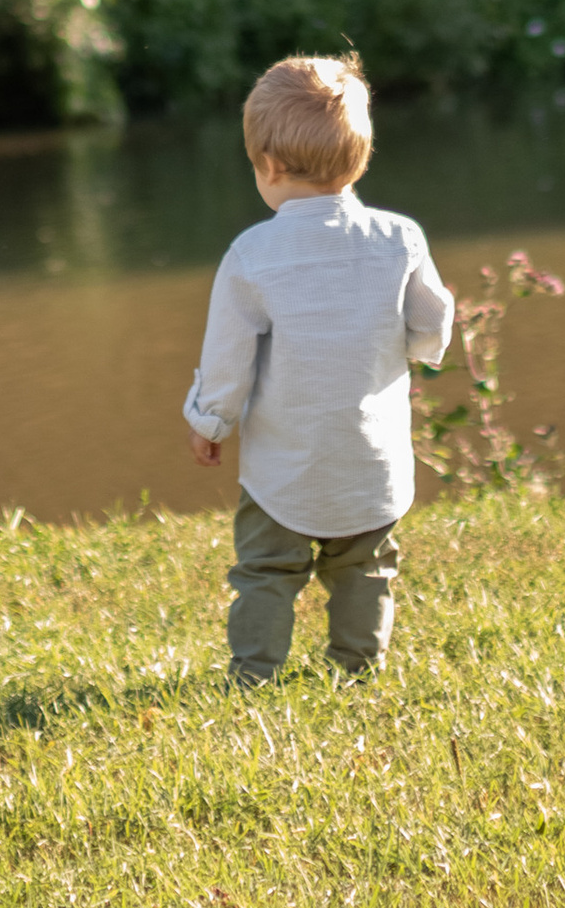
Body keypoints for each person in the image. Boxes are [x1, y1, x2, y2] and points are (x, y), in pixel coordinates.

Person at [181, 51, 454, 686]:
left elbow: (227, 362)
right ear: (359, 159)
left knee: (266, 571)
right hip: (371, 461)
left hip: (286, 467)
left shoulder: (253, 254)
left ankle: (254, 675)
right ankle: (356, 670)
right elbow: (433, 323)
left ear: (269, 166)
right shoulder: (400, 239)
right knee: (366, 568)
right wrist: (410, 350)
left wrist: (210, 423)